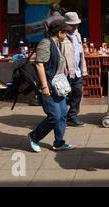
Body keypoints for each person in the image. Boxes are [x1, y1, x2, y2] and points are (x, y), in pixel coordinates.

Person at [28, 19, 75, 152]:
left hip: (58, 86)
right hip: (48, 85)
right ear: (60, 32)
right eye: (65, 32)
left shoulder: (55, 43)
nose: (66, 35)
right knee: (54, 116)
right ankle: (34, 136)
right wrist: (44, 86)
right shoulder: (46, 43)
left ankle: (59, 142)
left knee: (63, 114)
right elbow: (39, 64)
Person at [60, 12, 88, 127]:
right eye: (72, 25)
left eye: (76, 24)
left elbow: (80, 54)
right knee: (63, 96)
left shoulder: (77, 35)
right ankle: (61, 118)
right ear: (66, 24)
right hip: (65, 72)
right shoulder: (61, 37)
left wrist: (83, 70)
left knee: (77, 93)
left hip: (77, 71)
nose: (75, 27)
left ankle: (72, 116)